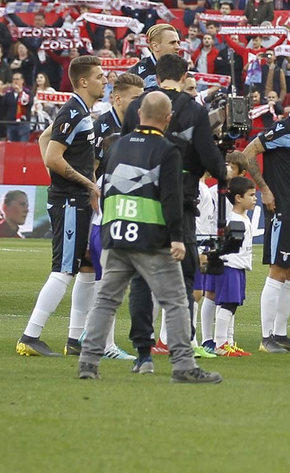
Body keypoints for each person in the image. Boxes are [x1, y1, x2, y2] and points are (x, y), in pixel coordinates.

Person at [76, 91, 221, 384]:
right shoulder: (168, 150)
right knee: (177, 301)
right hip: (151, 239)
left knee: (105, 301)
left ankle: (88, 363)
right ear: (167, 120)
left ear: (139, 113)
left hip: (116, 235)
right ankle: (183, 365)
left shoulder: (117, 146)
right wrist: (177, 238)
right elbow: (171, 197)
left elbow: (107, 192)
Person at [17, 55, 106, 357]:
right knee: (63, 269)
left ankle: (75, 339)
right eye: (99, 76)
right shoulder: (73, 111)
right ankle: (30, 335)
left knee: (86, 267)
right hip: (69, 200)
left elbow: (45, 138)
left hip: (74, 197)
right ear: (83, 81)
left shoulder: (80, 111)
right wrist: (86, 183)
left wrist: (64, 179)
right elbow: (53, 156)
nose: (104, 80)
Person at [240, 83, 290, 354]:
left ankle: (282, 335)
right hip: (281, 209)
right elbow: (247, 154)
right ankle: (265, 338)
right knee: (278, 269)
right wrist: (264, 189)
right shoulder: (282, 129)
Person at [199, 176, 255, 356]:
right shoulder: (233, 219)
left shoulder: (241, 217)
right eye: (251, 195)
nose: (255, 198)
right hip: (231, 266)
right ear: (238, 198)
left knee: (232, 304)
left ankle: (228, 342)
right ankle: (221, 343)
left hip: (237, 266)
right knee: (228, 304)